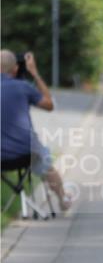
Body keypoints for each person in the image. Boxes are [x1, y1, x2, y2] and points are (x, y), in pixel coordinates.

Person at [0, 50, 71, 212]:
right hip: (26, 154)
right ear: (16, 69)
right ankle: (63, 198)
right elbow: (49, 105)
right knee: (47, 166)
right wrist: (35, 73)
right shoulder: (23, 87)